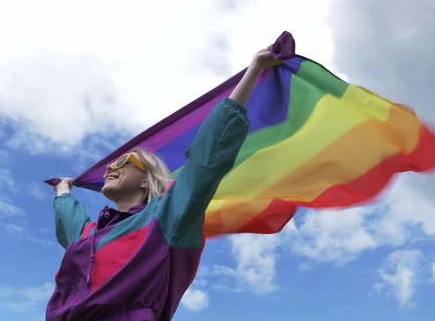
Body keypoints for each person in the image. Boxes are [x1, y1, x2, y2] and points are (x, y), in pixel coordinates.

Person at [46, 46, 282, 321]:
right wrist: (63, 191)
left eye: (124, 162)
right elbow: (71, 222)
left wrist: (254, 69)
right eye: (112, 164)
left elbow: (206, 161)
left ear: (146, 180)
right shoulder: (89, 238)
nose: (111, 166)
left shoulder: (167, 216)